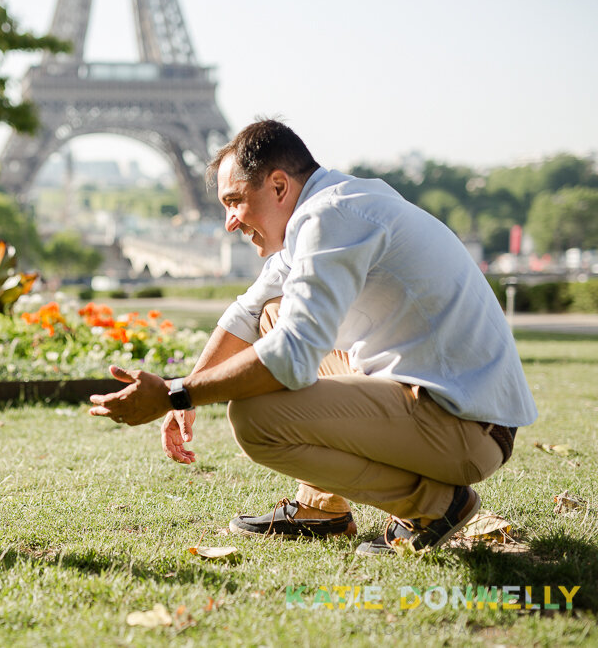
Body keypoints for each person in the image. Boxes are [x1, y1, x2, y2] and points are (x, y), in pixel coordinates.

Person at [89, 119, 536, 556]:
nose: (229, 222)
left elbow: (291, 357)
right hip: (453, 403)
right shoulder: (332, 204)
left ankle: (437, 507)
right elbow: (249, 311)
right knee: (274, 313)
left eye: (234, 201)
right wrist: (189, 390)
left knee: (255, 421)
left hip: (466, 428)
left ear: (279, 186)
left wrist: (176, 395)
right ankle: (320, 509)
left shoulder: (330, 218)